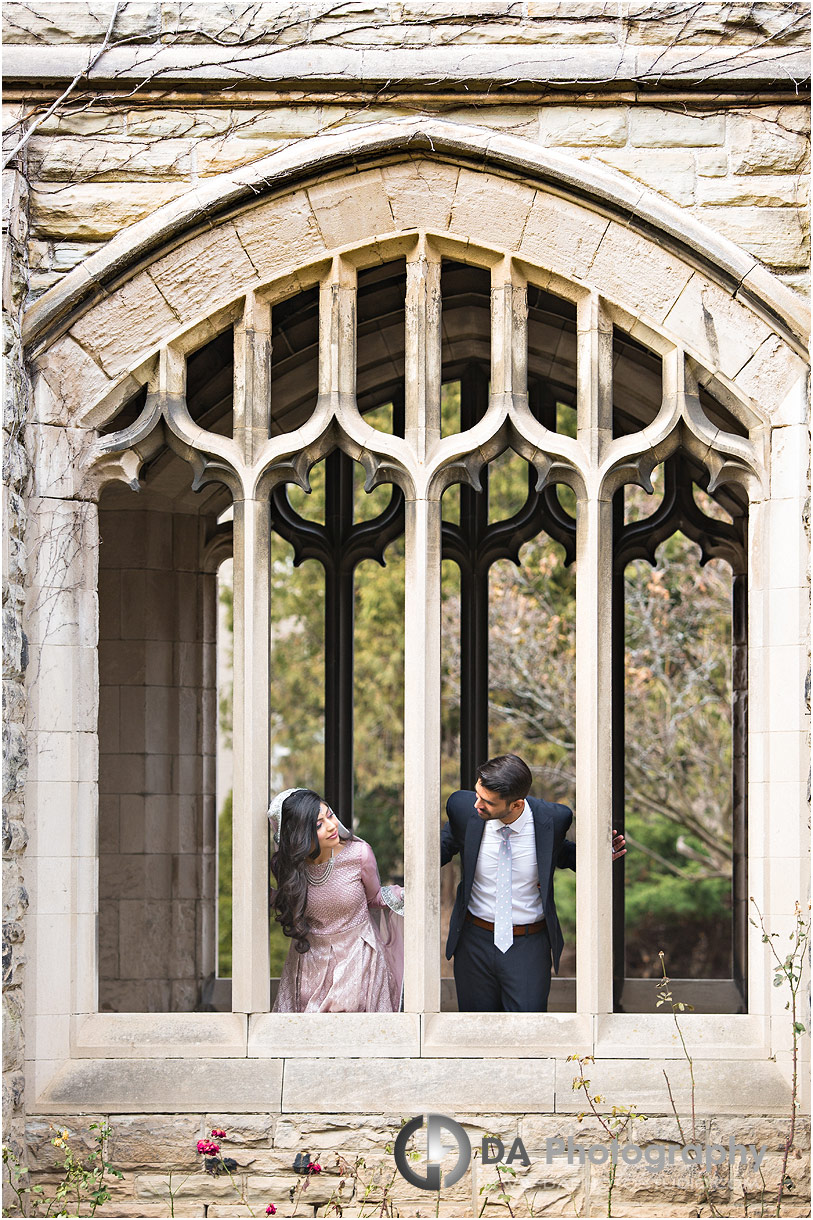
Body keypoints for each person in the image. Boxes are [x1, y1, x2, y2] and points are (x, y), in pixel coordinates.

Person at [441, 753, 626, 1012]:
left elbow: (559, 853)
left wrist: (598, 857)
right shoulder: (462, 809)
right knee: (476, 1031)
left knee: (529, 1031)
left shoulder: (553, 819)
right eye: (477, 795)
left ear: (516, 805)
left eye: (487, 802)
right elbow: (440, 848)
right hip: (474, 941)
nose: (477, 805)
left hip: (528, 944)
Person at [268, 787, 404, 1012]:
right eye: (318, 825)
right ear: (299, 833)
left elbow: (374, 897)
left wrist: (404, 895)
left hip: (359, 959)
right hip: (309, 961)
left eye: (329, 815)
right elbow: (284, 900)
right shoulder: (289, 867)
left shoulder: (359, 854)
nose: (332, 826)